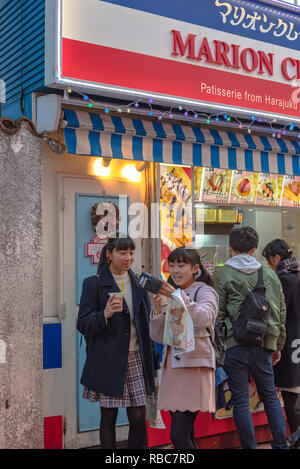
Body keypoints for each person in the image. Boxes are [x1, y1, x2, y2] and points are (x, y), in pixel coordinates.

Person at [77, 234, 159, 449]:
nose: (128, 257)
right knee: (108, 417)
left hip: (137, 358)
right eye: (122, 252)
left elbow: (146, 326)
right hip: (108, 359)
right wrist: (103, 315)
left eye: (131, 253)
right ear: (109, 255)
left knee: (139, 417)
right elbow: (82, 323)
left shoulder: (140, 283)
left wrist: (154, 362)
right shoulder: (93, 284)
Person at [215, 226, 288, 450]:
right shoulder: (269, 274)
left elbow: (217, 315)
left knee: (240, 400)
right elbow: (279, 311)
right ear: (255, 249)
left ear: (230, 248)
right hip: (264, 344)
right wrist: (277, 345)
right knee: (270, 396)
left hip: (235, 345)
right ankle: (280, 445)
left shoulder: (221, 273)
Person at [150, 247, 219, 449]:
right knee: (186, 433)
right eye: (172, 265)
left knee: (178, 435)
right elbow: (157, 335)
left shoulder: (205, 291)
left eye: (181, 265)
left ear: (195, 268)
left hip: (194, 366)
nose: (176, 271)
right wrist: (158, 310)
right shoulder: (172, 293)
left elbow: (205, 317)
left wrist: (177, 297)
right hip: (173, 367)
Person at [262, 239, 300, 435]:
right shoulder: (297, 274)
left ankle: (295, 438)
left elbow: (279, 315)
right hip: (297, 343)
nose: (269, 266)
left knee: (290, 396)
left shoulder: (285, 280)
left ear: (276, 258)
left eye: (269, 261)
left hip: (289, 343)